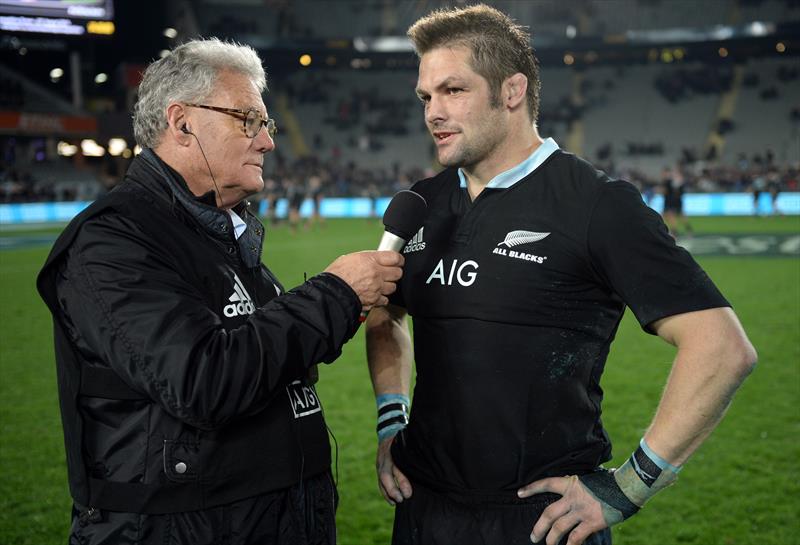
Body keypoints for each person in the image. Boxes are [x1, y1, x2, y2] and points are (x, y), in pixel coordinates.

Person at [364, 5, 756, 545]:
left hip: (542, 521)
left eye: (453, 90)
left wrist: (627, 488)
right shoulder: (422, 204)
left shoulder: (597, 204)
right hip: (422, 509)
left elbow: (721, 347)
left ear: (512, 90)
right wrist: (391, 421)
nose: (433, 111)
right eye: (425, 97)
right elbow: (385, 309)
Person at [37, 38, 404, 545]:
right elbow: (203, 379)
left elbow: (267, 359)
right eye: (249, 120)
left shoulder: (221, 231)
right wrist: (336, 293)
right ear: (183, 122)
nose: (268, 141)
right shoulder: (112, 241)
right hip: (179, 529)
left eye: (268, 124)